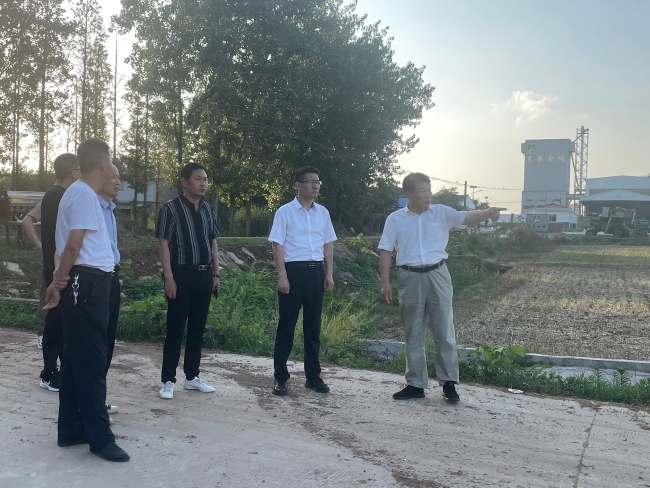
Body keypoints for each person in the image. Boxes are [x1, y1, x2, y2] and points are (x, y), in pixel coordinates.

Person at [378, 173, 505, 402]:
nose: (428, 195)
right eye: (423, 190)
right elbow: (386, 250)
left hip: (438, 274)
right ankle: (415, 384)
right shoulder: (395, 219)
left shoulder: (442, 213)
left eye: (429, 189)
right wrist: (385, 283)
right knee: (413, 332)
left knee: (444, 332)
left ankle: (449, 384)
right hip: (409, 277)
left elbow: (467, 217)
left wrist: (487, 212)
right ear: (409, 194)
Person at [44, 138, 129, 462]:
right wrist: (59, 281)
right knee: (92, 362)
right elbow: (73, 245)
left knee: (74, 360)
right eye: (111, 163)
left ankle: (70, 429)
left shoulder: (80, 193)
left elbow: (73, 245)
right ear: (103, 164)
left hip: (91, 281)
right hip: (87, 283)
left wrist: (60, 280)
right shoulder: (82, 194)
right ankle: (100, 438)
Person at [268, 166, 336, 397]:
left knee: (313, 328)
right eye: (311, 182)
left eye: (318, 182)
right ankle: (280, 377)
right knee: (286, 327)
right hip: (293, 273)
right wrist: (282, 275)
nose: (316, 186)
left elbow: (328, 244)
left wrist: (329, 273)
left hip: (316, 273)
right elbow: (277, 244)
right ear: (298, 185)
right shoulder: (285, 212)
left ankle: (313, 377)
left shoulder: (323, 213)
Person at [156, 163, 220, 400]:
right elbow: (163, 243)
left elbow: (213, 242)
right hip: (181, 274)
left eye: (205, 179)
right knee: (175, 329)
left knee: (197, 329)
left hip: (204, 274)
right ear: (184, 182)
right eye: (198, 179)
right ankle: (168, 380)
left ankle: (192, 376)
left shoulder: (207, 209)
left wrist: (216, 274)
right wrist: (169, 278)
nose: (203, 183)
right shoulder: (170, 209)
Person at [28, 154, 79, 390]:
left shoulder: (57, 194)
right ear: (74, 173)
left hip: (59, 263)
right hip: (57, 266)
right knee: (56, 321)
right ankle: (49, 373)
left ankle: (60, 370)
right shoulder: (57, 195)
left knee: (61, 320)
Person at [97, 163, 122, 416]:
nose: (118, 182)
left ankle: (98, 400)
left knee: (107, 342)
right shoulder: (92, 207)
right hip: (97, 280)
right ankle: (91, 405)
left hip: (112, 277)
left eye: (119, 177)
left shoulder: (110, 209)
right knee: (97, 344)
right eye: (113, 177)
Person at [22, 201, 46, 348]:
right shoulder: (52, 197)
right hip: (53, 256)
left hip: (75, 256)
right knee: (47, 293)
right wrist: (40, 244)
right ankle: (43, 334)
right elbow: (27, 221)